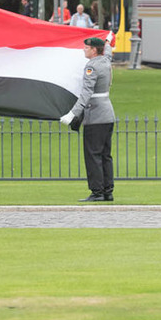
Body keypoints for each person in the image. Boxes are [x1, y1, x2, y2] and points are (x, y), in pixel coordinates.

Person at [60, 36, 115, 202]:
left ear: (93, 50)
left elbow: (86, 93)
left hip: (96, 115)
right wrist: (108, 41)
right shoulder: (105, 61)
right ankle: (107, 191)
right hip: (107, 114)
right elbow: (108, 52)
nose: (84, 49)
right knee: (105, 155)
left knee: (93, 155)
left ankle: (97, 191)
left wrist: (72, 114)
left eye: (87, 47)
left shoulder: (91, 66)